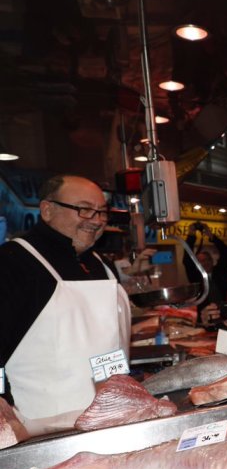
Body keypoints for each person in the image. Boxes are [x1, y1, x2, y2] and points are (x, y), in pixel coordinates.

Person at [0, 175, 130, 433]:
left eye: (101, 213)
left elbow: (104, 345)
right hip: (37, 430)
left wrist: (115, 394)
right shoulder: (13, 263)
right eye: (84, 209)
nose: (96, 221)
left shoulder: (99, 264)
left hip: (110, 421)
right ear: (47, 210)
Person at [184, 221, 227, 307]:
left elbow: (225, 253)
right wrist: (191, 236)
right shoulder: (195, 277)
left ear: (212, 261)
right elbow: (187, 260)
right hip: (205, 315)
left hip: (226, 310)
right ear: (197, 265)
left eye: (207, 260)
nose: (205, 263)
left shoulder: (220, 271)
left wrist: (212, 237)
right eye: (201, 261)